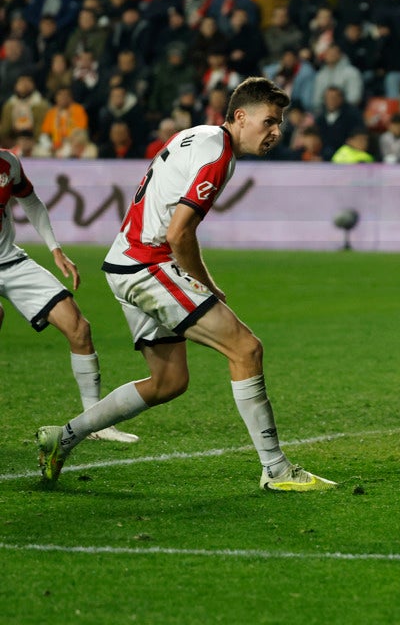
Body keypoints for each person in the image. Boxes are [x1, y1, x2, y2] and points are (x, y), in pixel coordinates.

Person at [35, 77, 335, 492]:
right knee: (245, 349)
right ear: (241, 116)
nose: (276, 132)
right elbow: (178, 233)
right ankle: (276, 470)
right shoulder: (218, 155)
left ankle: (63, 437)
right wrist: (205, 283)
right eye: (269, 121)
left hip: (125, 261)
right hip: (148, 263)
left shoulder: (198, 135)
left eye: (279, 123)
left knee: (168, 382)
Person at [0, 150, 137, 444]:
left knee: (78, 328)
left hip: (10, 261)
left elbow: (30, 201)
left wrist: (55, 248)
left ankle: (95, 422)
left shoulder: (8, 163)